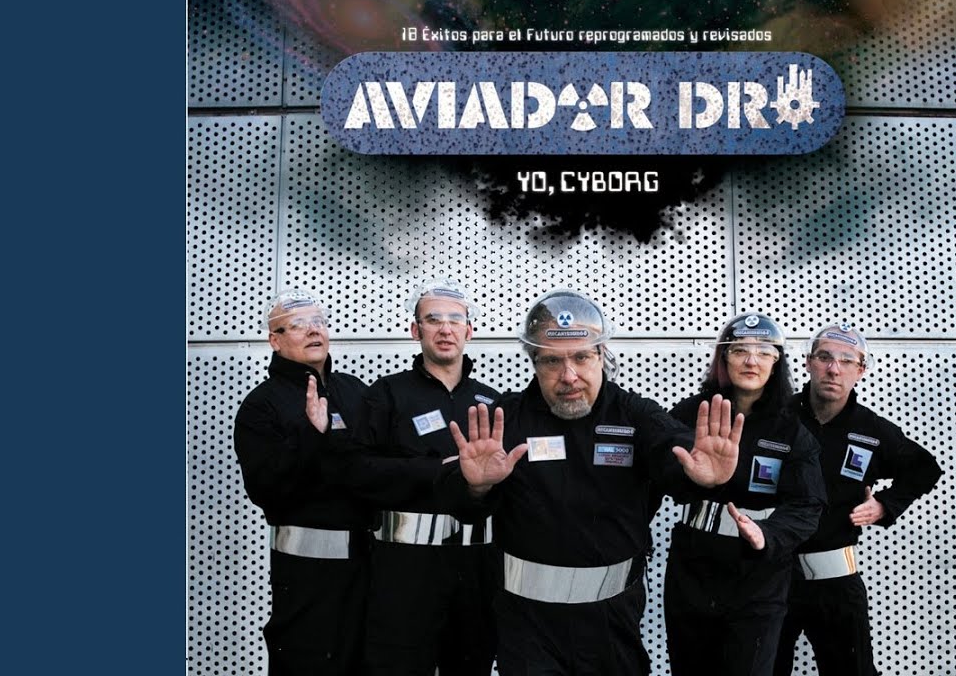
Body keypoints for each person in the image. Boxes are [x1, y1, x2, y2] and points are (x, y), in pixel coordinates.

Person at [440, 288, 746, 676]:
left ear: (601, 355)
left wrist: (701, 476)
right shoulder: (505, 419)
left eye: (581, 357)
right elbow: (461, 503)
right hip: (527, 622)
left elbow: (674, 454)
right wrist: (476, 487)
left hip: (611, 620)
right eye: (552, 361)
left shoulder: (634, 415)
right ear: (534, 362)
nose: (569, 376)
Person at [233, 287, 437, 676]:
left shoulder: (354, 390)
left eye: (319, 322)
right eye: (298, 325)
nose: (314, 331)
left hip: (371, 565)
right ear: (274, 340)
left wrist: (437, 465)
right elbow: (264, 488)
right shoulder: (261, 405)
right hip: (306, 573)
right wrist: (311, 435)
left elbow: (383, 464)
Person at [662, 313, 827, 676]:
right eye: (740, 350)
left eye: (763, 352)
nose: (752, 360)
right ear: (724, 358)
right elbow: (657, 476)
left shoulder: (792, 429)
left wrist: (767, 533)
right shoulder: (693, 413)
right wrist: (695, 479)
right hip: (693, 567)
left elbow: (808, 505)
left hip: (759, 576)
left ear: (776, 362)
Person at [773, 323, 943, 676]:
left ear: (861, 371)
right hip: (769, 578)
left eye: (847, 361)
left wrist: (885, 505)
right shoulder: (776, 418)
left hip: (835, 580)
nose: (834, 369)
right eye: (824, 357)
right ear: (808, 363)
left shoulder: (871, 429)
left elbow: (925, 469)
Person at [354, 278, 503, 676]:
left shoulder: (492, 401)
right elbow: (358, 470)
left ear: (469, 331)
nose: (445, 329)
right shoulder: (386, 394)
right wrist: (436, 469)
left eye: (455, 320)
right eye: (433, 320)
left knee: (471, 664)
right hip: (405, 565)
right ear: (414, 330)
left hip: (476, 565)